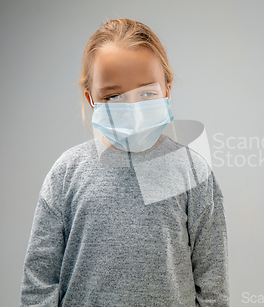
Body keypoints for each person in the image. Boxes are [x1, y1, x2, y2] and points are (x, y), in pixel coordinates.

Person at [20, 18, 229, 306]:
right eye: (113, 96)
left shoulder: (193, 172)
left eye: (146, 93)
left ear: (167, 89)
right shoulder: (66, 174)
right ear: (90, 98)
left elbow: (212, 287)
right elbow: (38, 284)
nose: (132, 109)